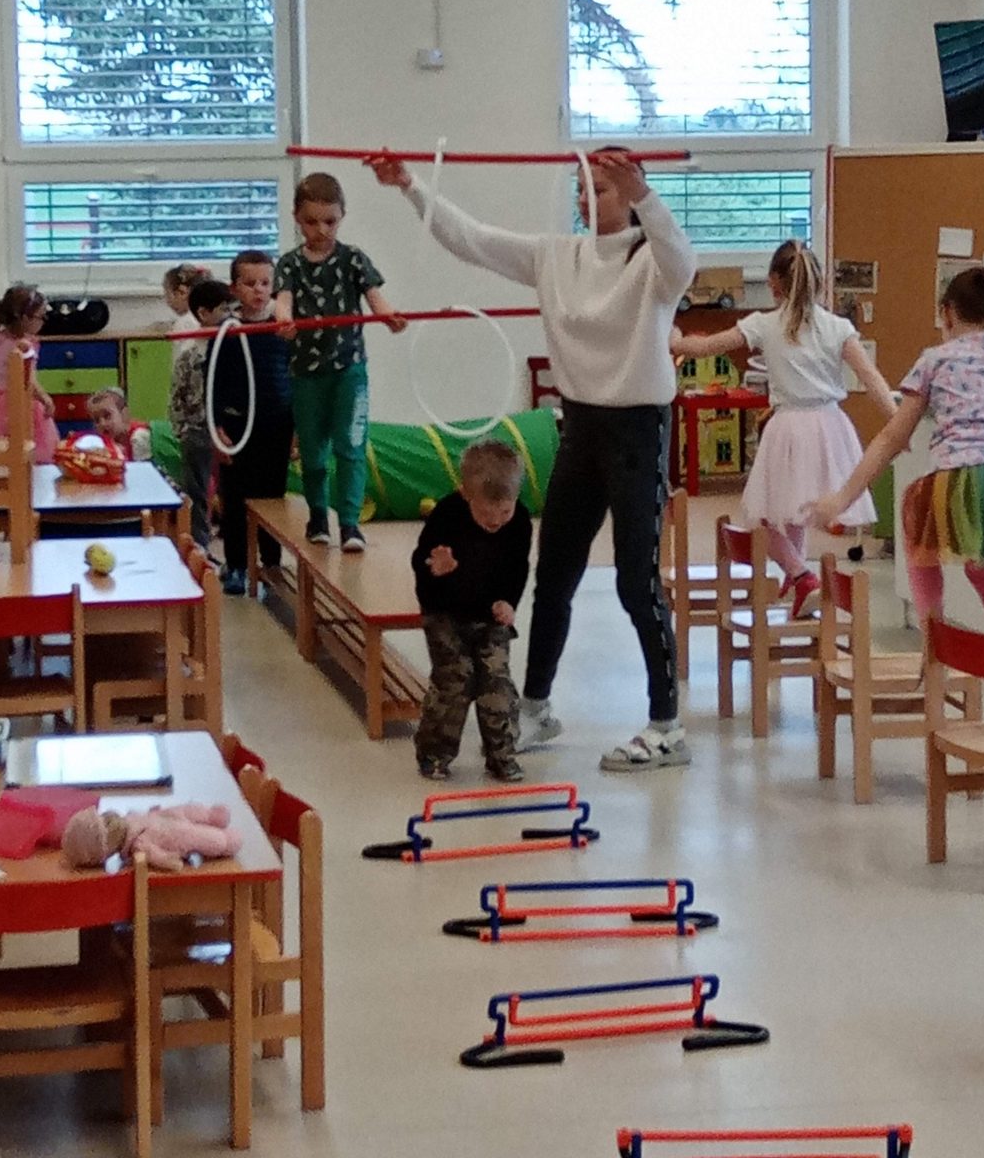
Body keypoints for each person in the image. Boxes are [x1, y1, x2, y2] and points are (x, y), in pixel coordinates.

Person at [371, 147, 694, 772]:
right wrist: (409, 184)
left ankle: (667, 726)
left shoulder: (651, 259)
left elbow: (684, 261)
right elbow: (471, 240)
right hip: (580, 427)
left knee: (636, 582)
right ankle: (538, 706)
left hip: (637, 432)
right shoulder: (557, 256)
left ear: (631, 194)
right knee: (554, 576)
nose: (585, 197)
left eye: (601, 188)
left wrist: (645, 197)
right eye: (581, 187)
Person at [808, 264, 984, 704]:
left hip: (964, 479)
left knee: (917, 537)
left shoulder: (937, 360)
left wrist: (842, 497)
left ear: (947, 313)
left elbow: (892, 439)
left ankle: (933, 642)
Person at [672, 239, 895, 618]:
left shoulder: (764, 324)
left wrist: (675, 338)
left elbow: (705, 348)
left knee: (765, 515)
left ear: (774, 283)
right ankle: (798, 578)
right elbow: (872, 379)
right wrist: (898, 423)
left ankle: (801, 574)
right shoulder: (838, 327)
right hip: (830, 425)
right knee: (795, 510)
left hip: (789, 426)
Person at [274, 172, 406, 553]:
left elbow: (375, 297)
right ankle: (318, 515)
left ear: (342, 216)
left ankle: (350, 523)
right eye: (311, 221)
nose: (321, 230)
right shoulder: (289, 264)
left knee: (351, 445)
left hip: (349, 370)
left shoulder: (353, 259)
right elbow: (283, 301)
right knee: (313, 452)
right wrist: (284, 320)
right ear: (297, 219)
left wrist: (389, 316)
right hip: (306, 374)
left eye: (330, 221)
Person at [411, 440, 532, 783]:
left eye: (504, 512)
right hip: (445, 613)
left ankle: (501, 755)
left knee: (497, 681)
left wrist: (508, 601)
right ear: (466, 495)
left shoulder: (520, 522)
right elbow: (420, 559)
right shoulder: (447, 514)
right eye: (486, 513)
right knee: (456, 679)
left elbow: (518, 569)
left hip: (490, 614)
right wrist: (434, 567)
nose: (495, 522)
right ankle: (434, 753)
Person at [214, 250, 294, 597]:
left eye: (265, 283)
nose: (258, 290)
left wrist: (297, 431)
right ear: (234, 288)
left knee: (272, 500)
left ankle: (271, 563)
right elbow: (213, 382)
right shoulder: (227, 331)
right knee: (235, 500)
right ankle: (236, 565)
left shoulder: (283, 329)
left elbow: (295, 378)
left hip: (276, 426)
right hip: (236, 428)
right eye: (249, 283)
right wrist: (217, 428)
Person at [168, 277, 232, 551]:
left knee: (231, 487)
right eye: (224, 309)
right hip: (196, 430)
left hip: (228, 431)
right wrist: (181, 428)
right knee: (196, 489)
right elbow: (177, 394)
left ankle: (232, 540)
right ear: (204, 314)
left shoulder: (233, 348)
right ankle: (199, 544)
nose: (230, 315)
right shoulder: (190, 353)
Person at [0, 284, 59, 464]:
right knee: (26, 449)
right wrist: (45, 398)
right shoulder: (26, 344)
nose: (43, 321)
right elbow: (28, 380)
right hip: (22, 403)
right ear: (25, 318)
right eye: (41, 317)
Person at [85, 386, 152, 463]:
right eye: (97, 420)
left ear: (123, 414)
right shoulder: (109, 441)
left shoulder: (139, 437)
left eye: (107, 416)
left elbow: (142, 469)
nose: (102, 424)